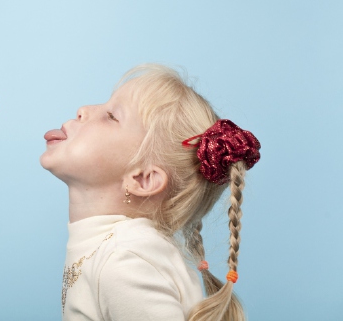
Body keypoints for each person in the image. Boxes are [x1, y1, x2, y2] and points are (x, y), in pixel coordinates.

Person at [41, 64, 260, 321]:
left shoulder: (125, 261)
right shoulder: (115, 249)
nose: (84, 110)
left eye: (112, 116)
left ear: (143, 179)